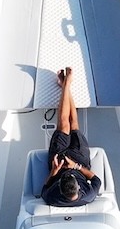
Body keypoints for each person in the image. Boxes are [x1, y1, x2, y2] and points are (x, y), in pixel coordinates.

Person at [42, 66, 101, 207]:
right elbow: (95, 179)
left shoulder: (52, 198)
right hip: (79, 161)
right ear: (79, 187)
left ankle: (66, 84)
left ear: (60, 190)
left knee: (64, 124)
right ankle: (65, 84)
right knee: (73, 125)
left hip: (58, 164)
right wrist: (76, 167)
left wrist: (55, 171)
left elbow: (44, 187)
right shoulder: (88, 195)